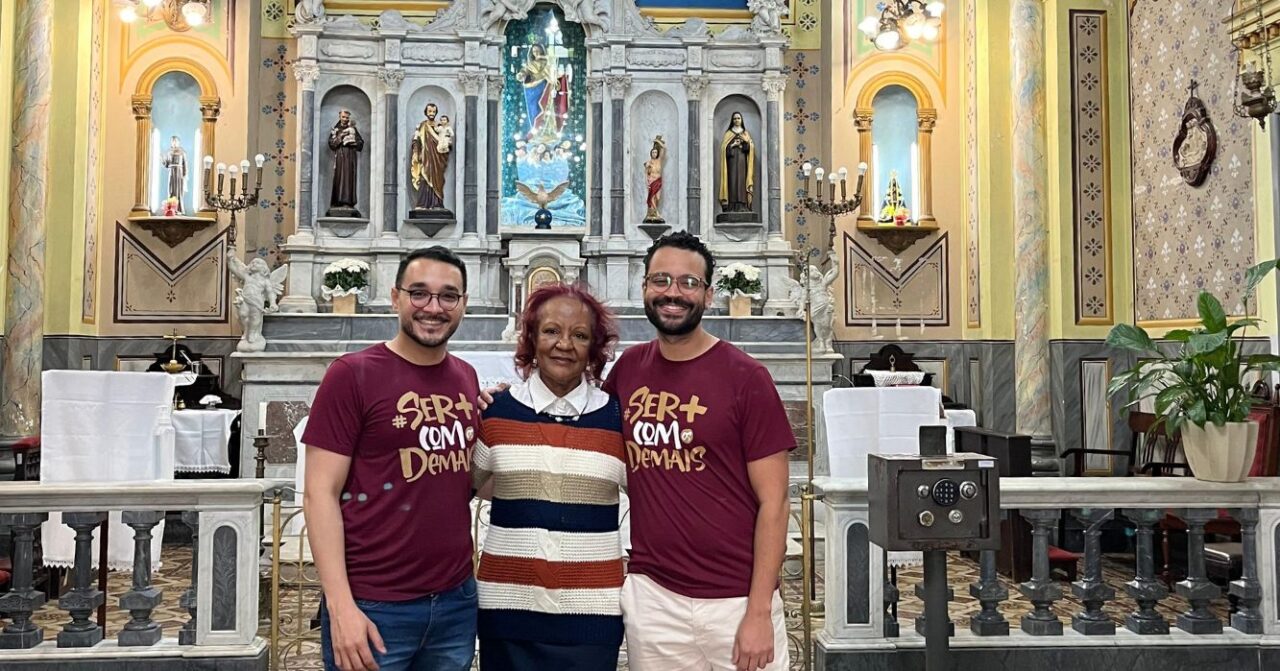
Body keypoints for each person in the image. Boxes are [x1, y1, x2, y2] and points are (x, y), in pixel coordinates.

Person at [604, 231, 793, 671]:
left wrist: (759, 610)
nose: (673, 292)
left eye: (688, 283)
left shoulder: (746, 377)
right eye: (661, 280)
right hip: (655, 596)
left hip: (736, 597)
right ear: (645, 288)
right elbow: (583, 432)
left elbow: (776, 502)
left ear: (709, 295)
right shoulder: (628, 370)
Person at [303, 246, 480, 671]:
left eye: (448, 296)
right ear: (396, 297)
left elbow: (463, 476)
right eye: (419, 293)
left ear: (463, 305)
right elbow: (318, 495)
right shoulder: (352, 374)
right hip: (374, 604)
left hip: (455, 600)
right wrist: (341, 606)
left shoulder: (466, 376)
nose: (433, 308)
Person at [472, 283, 626, 670]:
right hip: (507, 614)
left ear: (595, 348)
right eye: (551, 331)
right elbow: (453, 492)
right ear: (531, 339)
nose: (564, 344)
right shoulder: (495, 413)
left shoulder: (618, 419)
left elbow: (656, 501)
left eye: (580, 335)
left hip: (592, 616)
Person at [410, 103, 451, 212]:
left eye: (433, 112)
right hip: (425, 157)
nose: (431, 114)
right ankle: (423, 203)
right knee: (424, 178)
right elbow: (416, 140)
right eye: (429, 111)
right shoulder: (422, 126)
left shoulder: (440, 127)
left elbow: (447, 140)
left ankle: (437, 203)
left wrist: (447, 145)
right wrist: (416, 152)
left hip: (437, 159)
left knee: (438, 180)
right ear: (426, 112)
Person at [327, 110, 365, 217]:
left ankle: (348, 201)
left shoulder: (353, 129)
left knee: (349, 179)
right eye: (343, 117)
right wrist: (340, 137)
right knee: (339, 179)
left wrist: (354, 142)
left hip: (350, 159)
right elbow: (332, 144)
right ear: (340, 117)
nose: (345, 119)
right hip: (340, 158)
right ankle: (337, 201)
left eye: (347, 117)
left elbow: (361, 144)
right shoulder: (336, 129)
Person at [719, 112, 755, 214]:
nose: (736, 120)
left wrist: (743, 145)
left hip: (743, 162)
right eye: (735, 118)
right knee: (732, 181)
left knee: (742, 182)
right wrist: (732, 145)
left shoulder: (745, 133)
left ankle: (743, 206)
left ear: (741, 120)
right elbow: (723, 149)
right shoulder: (728, 133)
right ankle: (731, 206)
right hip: (732, 162)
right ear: (732, 120)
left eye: (738, 118)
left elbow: (750, 148)